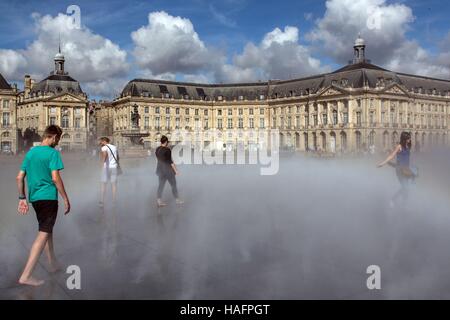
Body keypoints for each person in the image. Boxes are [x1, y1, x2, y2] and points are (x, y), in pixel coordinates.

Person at [16, 125, 70, 286]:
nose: (58, 142)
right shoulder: (53, 153)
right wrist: (66, 198)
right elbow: (55, 178)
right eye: (58, 139)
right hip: (48, 198)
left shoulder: (31, 152)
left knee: (47, 230)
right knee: (43, 234)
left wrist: (22, 198)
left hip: (35, 199)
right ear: (52, 137)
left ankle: (53, 263)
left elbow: (19, 177)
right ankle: (26, 275)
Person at [377, 132, 415, 208]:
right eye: (408, 138)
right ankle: (393, 200)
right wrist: (383, 163)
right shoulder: (399, 146)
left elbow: (406, 159)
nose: (410, 139)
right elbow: (392, 156)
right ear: (404, 139)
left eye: (410, 138)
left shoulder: (408, 146)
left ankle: (404, 204)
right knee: (405, 187)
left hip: (406, 169)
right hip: (400, 170)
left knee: (408, 187)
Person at [155, 135, 183, 207]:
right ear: (166, 142)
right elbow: (170, 162)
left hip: (160, 170)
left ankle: (159, 200)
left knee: (161, 186)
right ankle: (177, 200)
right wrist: (176, 171)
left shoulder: (157, 149)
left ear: (161, 141)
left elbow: (158, 159)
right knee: (173, 185)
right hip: (168, 171)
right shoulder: (167, 150)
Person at [99, 137, 119, 207]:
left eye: (101, 142)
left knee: (103, 184)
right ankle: (114, 201)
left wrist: (102, 165)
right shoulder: (114, 147)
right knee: (113, 184)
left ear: (104, 141)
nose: (100, 143)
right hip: (114, 167)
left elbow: (104, 156)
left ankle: (102, 201)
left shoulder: (104, 148)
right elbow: (118, 157)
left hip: (106, 168)